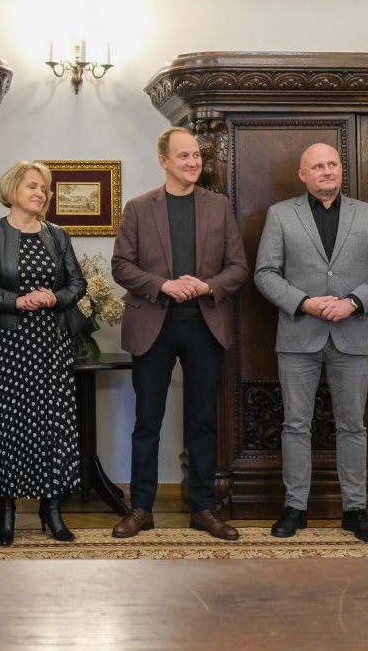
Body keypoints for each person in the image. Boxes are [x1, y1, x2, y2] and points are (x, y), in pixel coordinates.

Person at [254, 142, 368, 543]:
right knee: (295, 426)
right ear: (303, 174)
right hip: (298, 335)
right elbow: (265, 273)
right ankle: (294, 509)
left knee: (353, 426)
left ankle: (355, 510)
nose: (327, 171)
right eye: (317, 166)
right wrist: (304, 302)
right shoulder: (281, 215)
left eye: (332, 164)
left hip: (352, 336)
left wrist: (352, 302)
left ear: (341, 170)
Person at [109, 128, 249, 541]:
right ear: (164, 161)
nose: (193, 162)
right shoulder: (138, 208)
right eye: (184, 156)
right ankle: (141, 508)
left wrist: (207, 286)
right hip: (152, 326)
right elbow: (121, 266)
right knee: (147, 422)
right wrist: (163, 285)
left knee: (203, 421)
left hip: (205, 326)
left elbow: (238, 267)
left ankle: (203, 508)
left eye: (196, 156)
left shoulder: (218, 206)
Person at [0, 161, 85, 546]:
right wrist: (17, 301)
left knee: (51, 426)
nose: (40, 193)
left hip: (51, 345)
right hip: (7, 345)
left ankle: (52, 510)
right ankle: (7, 511)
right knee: (7, 426)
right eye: (33, 186)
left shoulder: (57, 235)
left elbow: (77, 283)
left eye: (44, 188)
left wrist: (55, 297)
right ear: (12, 189)